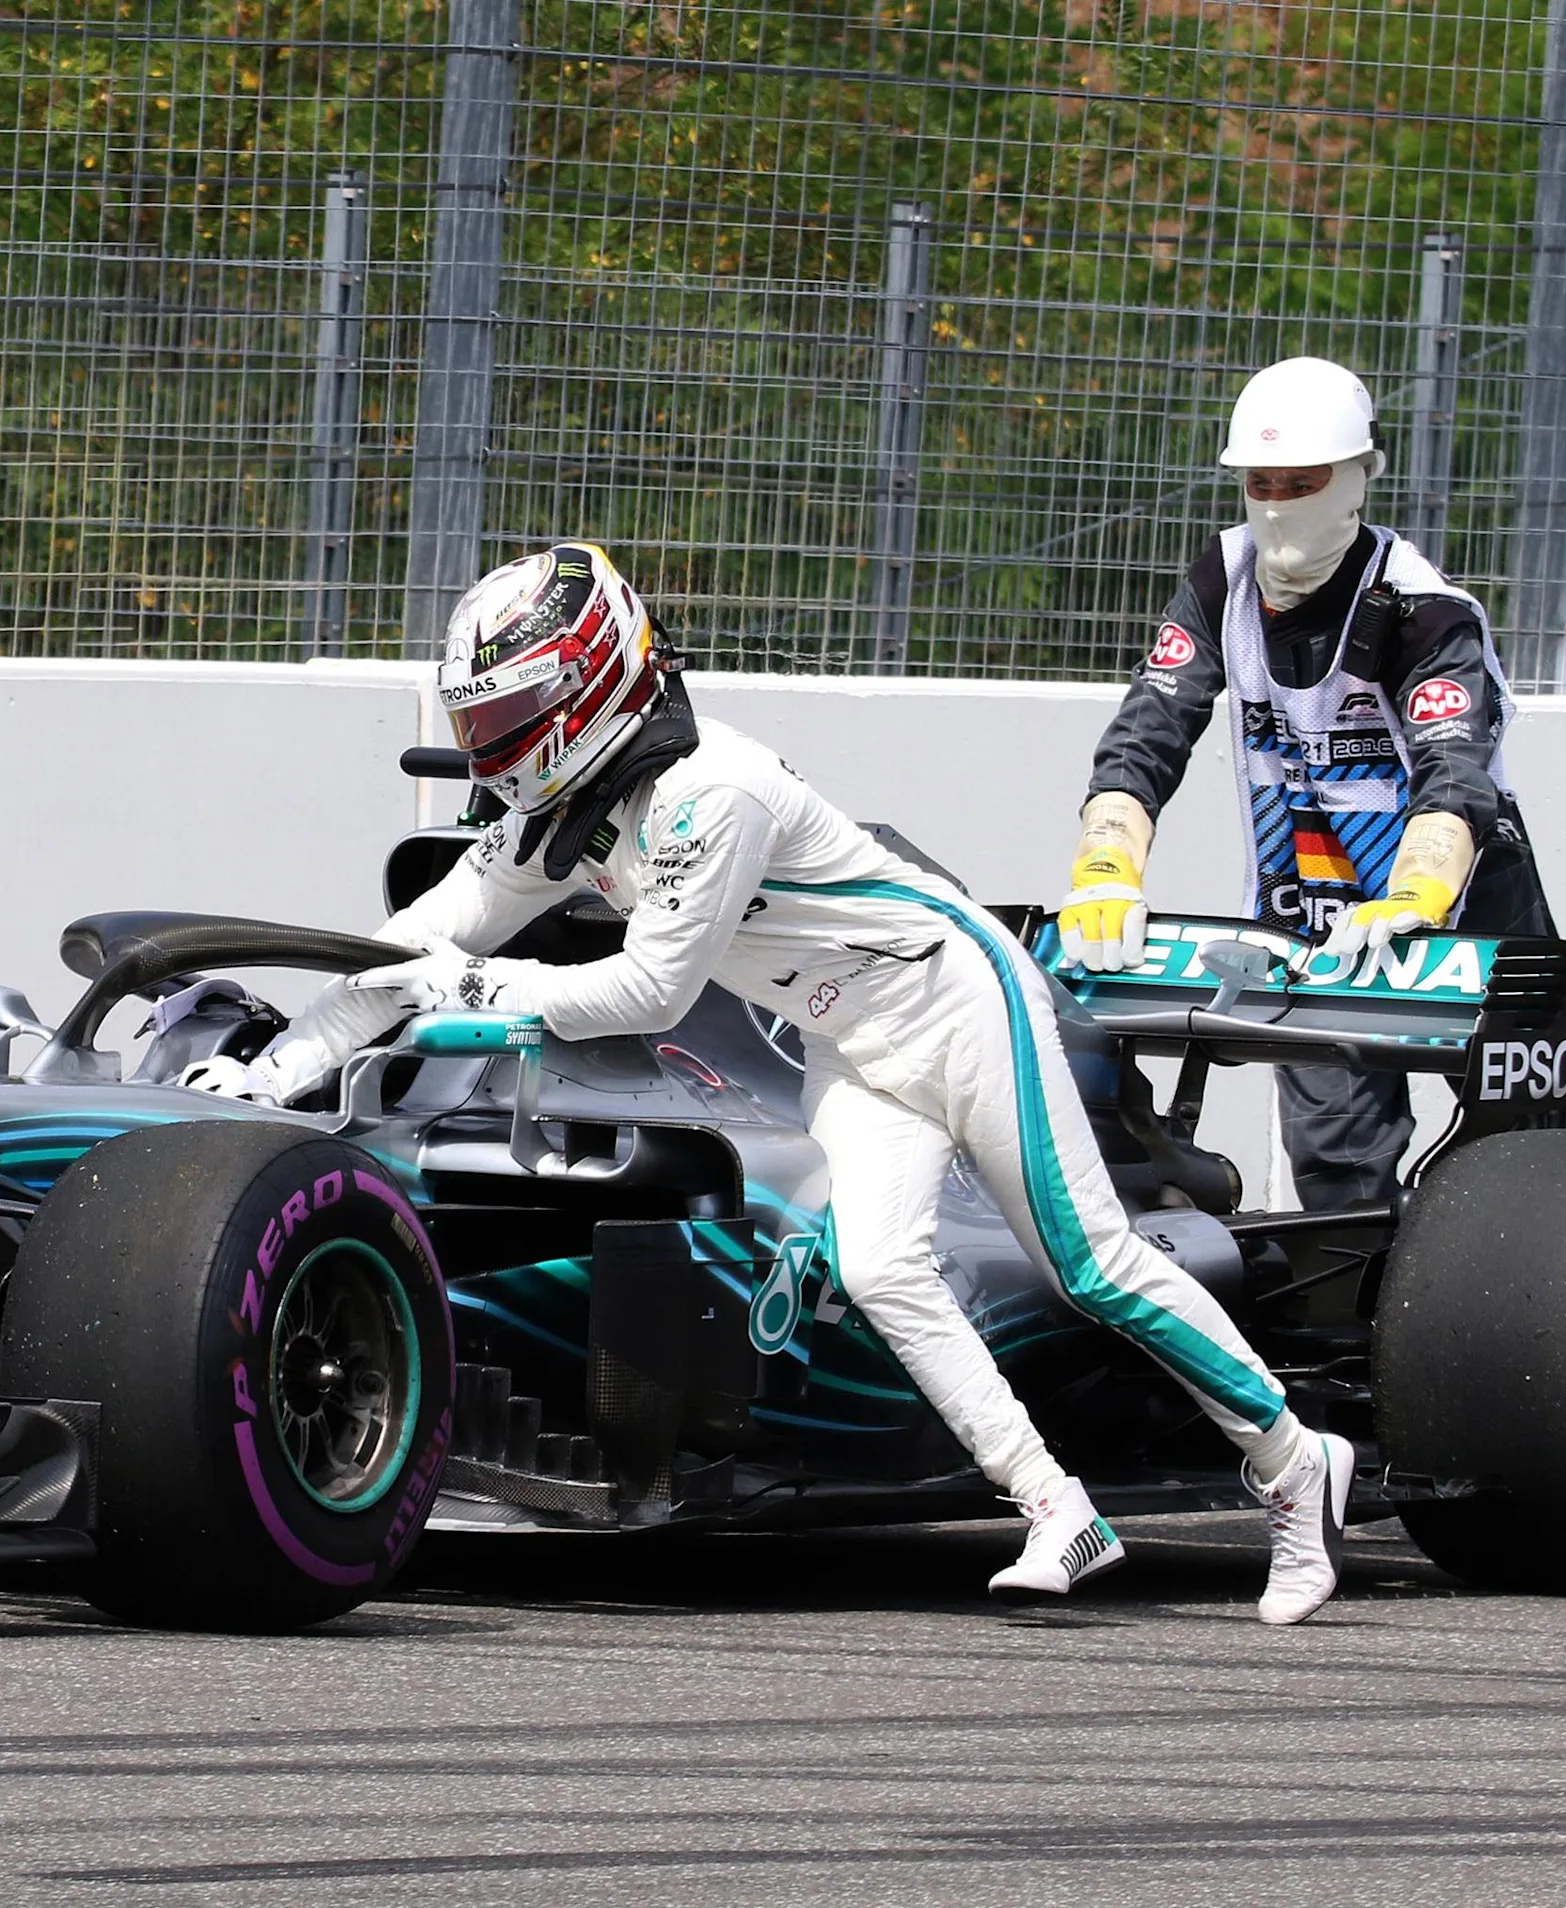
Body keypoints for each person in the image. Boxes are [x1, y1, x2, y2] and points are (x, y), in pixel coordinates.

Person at [191, 541, 1352, 1623]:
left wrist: (476, 991)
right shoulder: (558, 814)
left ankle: (1293, 1463)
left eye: (506, 717)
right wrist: (270, 1076)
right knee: (878, 1267)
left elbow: (646, 992)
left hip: (959, 1002)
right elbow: (401, 957)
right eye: (473, 719)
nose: (488, 744)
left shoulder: (710, 789)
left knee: (1091, 1265)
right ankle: (1055, 1506)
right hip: (849, 1044)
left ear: (586, 688)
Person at [1057, 355, 1555, 1209]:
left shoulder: (1421, 610)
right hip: (1314, 919)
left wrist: (1418, 894)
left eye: (1304, 480)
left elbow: (1455, 772)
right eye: (1262, 482)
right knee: (1334, 1165)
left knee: (1533, 1151)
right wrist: (1105, 863)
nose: (1279, 502)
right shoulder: (1221, 582)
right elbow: (1149, 729)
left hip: (1464, 898)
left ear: (1363, 476)